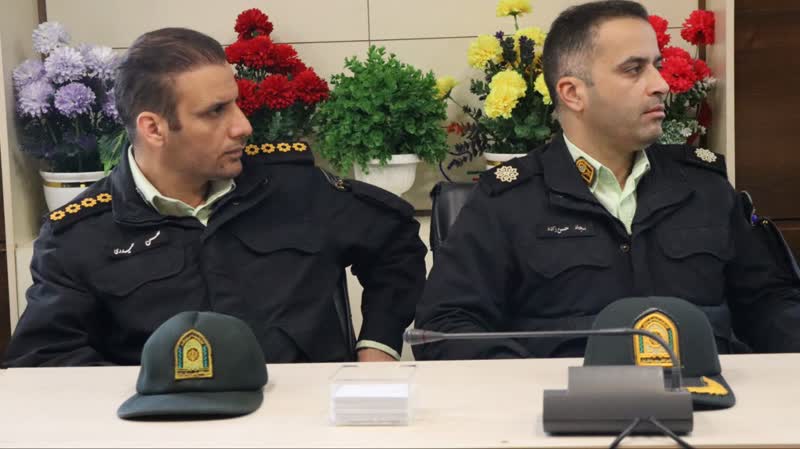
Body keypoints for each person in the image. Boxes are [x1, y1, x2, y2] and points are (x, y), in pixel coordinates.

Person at [4, 28, 427, 367]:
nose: (243, 126)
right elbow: (45, 358)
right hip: (164, 427)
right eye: (215, 111)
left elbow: (396, 242)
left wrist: (378, 347)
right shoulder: (80, 235)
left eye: (236, 104)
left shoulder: (295, 188)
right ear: (154, 128)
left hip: (304, 422)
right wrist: (138, 401)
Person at [414, 0, 800, 360]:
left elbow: (770, 302)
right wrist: (530, 386)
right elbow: (446, 327)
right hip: (566, 406)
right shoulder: (507, 200)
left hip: (706, 398)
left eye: (657, 65)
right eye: (634, 69)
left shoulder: (705, 186)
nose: (660, 84)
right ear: (572, 93)